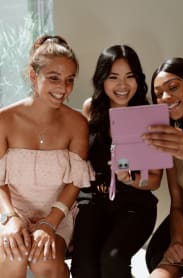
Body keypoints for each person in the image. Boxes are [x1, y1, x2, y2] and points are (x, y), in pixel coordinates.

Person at [0, 35, 93, 278]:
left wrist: (50, 223)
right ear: (33, 75)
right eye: (54, 78)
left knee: (46, 263)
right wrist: (10, 217)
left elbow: (75, 183)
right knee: (13, 258)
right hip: (12, 211)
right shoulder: (4, 120)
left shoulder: (78, 123)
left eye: (69, 80)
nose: (63, 88)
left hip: (58, 213)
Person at [70, 44, 163, 278]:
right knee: (84, 269)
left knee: (112, 262)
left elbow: (153, 182)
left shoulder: (151, 115)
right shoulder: (91, 109)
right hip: (93, 202)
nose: (122, 85)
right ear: (102, 79)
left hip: (134, 205)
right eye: (114, 77)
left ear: (138, 79)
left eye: (130, 77)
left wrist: (131, 180)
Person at [142, 57, 183, 277]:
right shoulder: (173, 138)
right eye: (158, 93)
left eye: (173, 87)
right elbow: (178, 204)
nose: (166, 97)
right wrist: (177, 243)